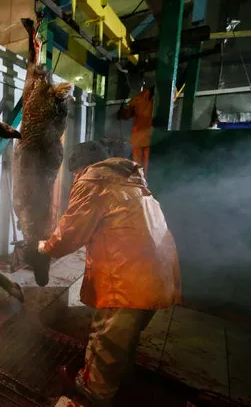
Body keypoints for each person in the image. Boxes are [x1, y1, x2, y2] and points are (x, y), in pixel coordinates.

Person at [36, 141, 181, 407]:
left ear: (80, 168)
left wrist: (44, 247)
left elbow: (69, 236)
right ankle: (120, 381)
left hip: (127, 281)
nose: (74, 180)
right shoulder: (132, 183)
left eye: (74, 174)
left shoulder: (93, 181)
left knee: (106, 343)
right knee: (125, 340)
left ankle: (92, 397)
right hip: (159, 277)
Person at [118, 87, 153, 176]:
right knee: (147, 169)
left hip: (139, 137)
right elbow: (126, 114)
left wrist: (124, 106)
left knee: (138, 168)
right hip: (149, 138)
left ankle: (138, 185)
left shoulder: (138, 97)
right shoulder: (166, 92)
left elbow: (125, 115)